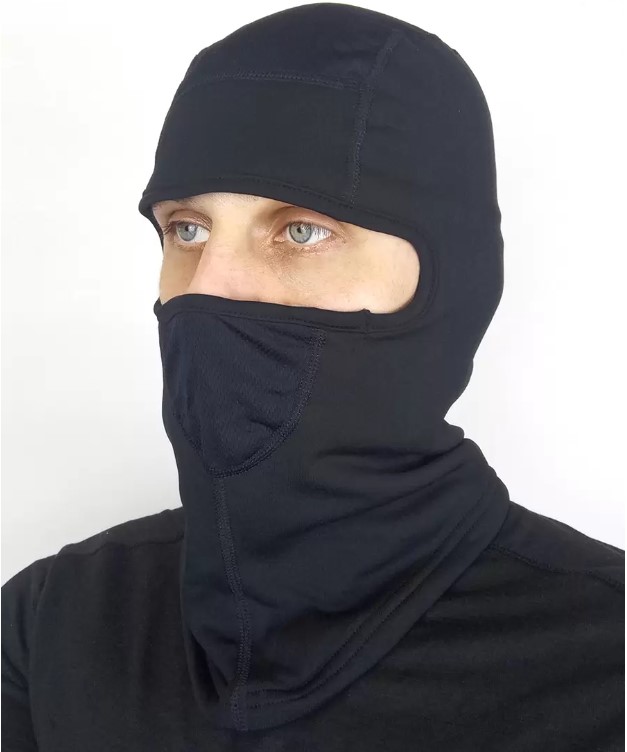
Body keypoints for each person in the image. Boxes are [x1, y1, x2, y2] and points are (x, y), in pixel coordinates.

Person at [2, 3, 624, 750]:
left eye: (301, 230)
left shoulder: (604, 666)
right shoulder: (50, 624)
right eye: (187, 230)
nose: (208, 287)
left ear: (449, 285)